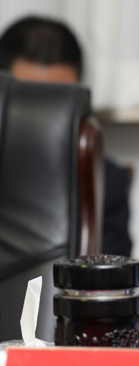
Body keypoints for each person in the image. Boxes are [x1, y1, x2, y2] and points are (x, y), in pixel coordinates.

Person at [0, 15, 132, 257]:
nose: (41, 121)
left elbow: (109, 275)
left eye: (56, 105)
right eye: (29, 105)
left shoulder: (105, 182)